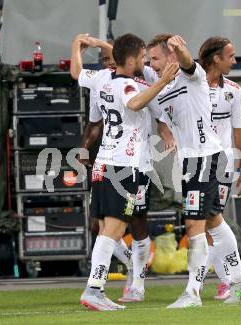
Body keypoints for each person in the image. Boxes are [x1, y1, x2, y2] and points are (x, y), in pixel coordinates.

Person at [146, 34, 241, 308]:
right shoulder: (159, 81)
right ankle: (239, 277)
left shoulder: (191, 76)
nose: (152, 65)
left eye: (156, 59)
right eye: (149, 60)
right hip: (191, 161)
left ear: (171, 57)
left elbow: (185, 61)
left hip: (208, 158)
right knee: (213, 221)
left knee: (195, 224)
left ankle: (193, 292)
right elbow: (132, 61)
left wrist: (179, 48)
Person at [71, 32, 179, 311]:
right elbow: (133, 102)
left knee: (107, 228)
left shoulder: (101, 79)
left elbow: (77, 72)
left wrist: (78, 46)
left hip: (104, 162)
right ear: (131, 60)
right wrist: (164, 81)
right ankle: (94, 290)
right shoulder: (128, 85)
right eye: (142, 57)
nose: (145, 61)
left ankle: (99, 287)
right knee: (114, 228)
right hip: (125, 165)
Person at [197, 36, 241, 300]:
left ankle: (230, 279)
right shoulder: (192, 84)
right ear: (216, 58)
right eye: (231, 56)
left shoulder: (233, 90)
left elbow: (240, 132)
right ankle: (231, 278)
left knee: (210, 219)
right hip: (196, 161)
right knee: (205, 223)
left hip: (222, 165)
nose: (235, 61)